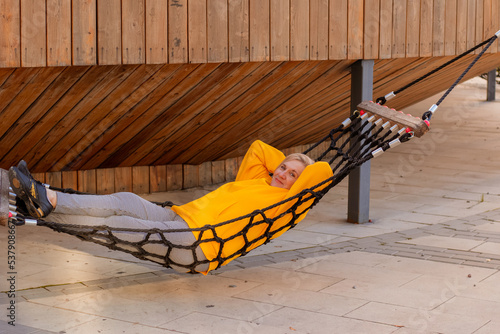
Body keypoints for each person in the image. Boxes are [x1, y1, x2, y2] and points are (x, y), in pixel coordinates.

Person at [9, 140, 333, 274]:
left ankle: (40, 203)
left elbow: (323, 173)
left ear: (301, 184)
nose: (283, 174)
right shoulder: (258, 181)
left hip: (199, 244)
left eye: (292, 175)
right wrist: (287, 162)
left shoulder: (290, 203)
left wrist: (299, 171)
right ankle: (45, 200)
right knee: (126, 200)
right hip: (179, 216)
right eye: (282, 168)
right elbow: (259, 148)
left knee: (120, 223)